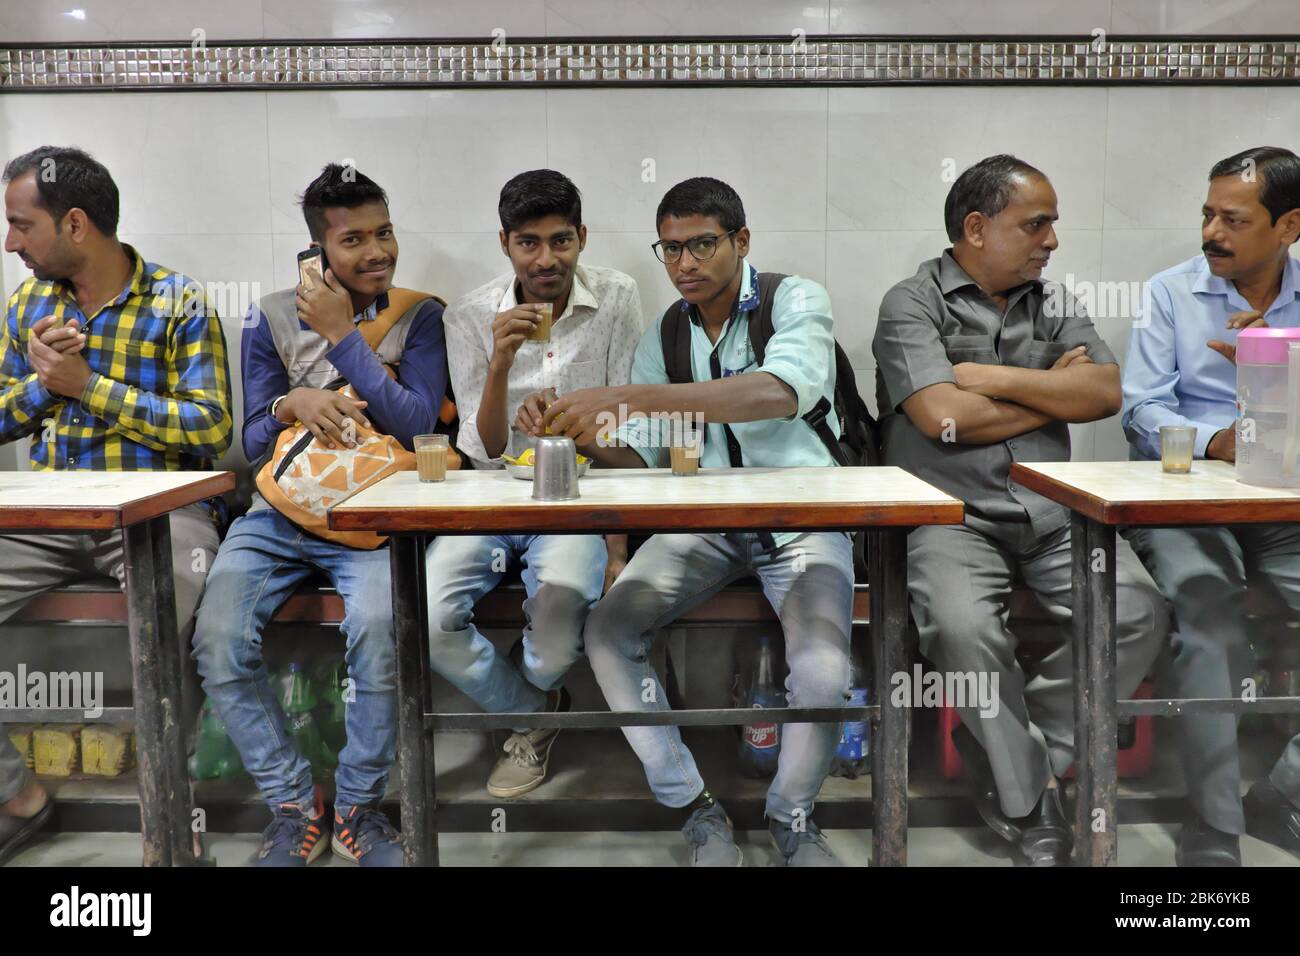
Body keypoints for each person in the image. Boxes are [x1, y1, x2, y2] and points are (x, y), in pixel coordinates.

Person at [543, 177, 852, 866]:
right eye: (671, 248)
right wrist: (578, 431)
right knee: (609, 629)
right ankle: (695, 808)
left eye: (702, 244)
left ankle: (792, 817)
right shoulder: (668, 333)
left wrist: (628, 393)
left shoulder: (793, 299)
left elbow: (780, 393)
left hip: (802, 515)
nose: (684, 263)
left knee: (825, 671)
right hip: (702, 521)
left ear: (741, 241)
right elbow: (644, 455)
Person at [872, 154, 1168, 866]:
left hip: (1056, 511)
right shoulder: (911, 303)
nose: (1052, 241)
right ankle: (1030, 800)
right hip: (952, 518)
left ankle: (1019, 763)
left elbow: (1102, 394)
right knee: (960, 628)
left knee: (1140, 611)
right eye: (1037, 224)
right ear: (977, 228)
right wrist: (1043, 388)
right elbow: (944, 418)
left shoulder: (1057, 304)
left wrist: (992, 380)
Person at [191, 163, 449, 866]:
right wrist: (288, 404)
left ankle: (360, 808)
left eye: (385, 233)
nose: (376, 252)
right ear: (317, 252)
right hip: (276, 516)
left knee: (378, 633)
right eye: (353, 239)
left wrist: (342, 339)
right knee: (216, 640)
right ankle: (293, 803)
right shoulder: (270, 314)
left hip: (373, 519)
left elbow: (417, 418)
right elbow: (246, 442)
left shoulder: (422, 316)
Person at [0, 145, 232, 864]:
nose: (10, 243)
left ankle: (171, 829)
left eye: (20, 224)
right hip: (48, 513)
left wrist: (88, 387)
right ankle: (17, 795)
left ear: (74, 225)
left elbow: (211, 428)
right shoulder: (27, 305)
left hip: (163, 511)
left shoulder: (179, 301)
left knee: (168, 625)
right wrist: (45, 386)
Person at [427, 169, 641, 798]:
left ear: (582, 237)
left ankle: (537, 698)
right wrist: (498, 363)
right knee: (429, 618)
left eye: (561, 241)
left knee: (558, 622)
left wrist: (618, 539)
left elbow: (631, 428)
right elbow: (486, 446)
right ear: (505, 243)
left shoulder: (617, 297)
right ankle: (535, 717)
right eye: (529, 243)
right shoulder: (470, 314)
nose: (546, 259)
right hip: (493, 497)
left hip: (579, 496)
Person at [1122, 146, 1300, 866]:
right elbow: (1140, 410)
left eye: (1233, 218)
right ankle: (1214, 822)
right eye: (1207, 214)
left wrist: (1278, 379)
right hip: (1188, 498)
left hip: (1286, 503)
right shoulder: (1172, 292)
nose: (1212, 232)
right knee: (1208, 617)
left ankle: (1283, 792)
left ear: (1289, 226)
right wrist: (1219, 439)